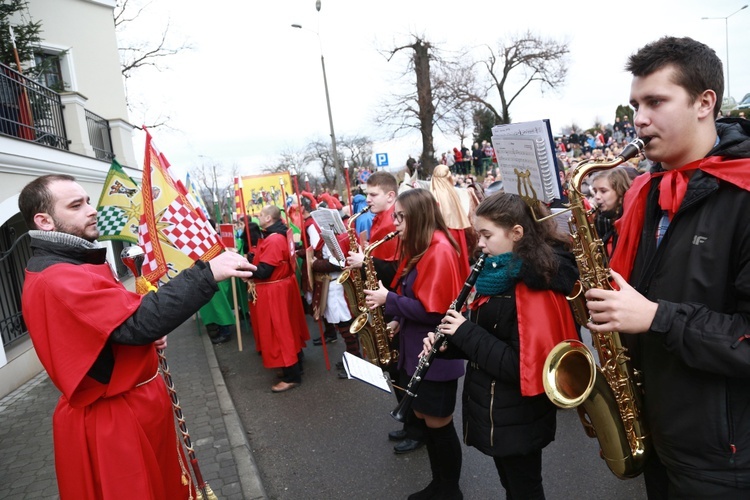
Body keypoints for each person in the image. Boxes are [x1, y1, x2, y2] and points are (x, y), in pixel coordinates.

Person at [18, 174, 256, 499]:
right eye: (76, 205)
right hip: (115, 420)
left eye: (88, 201)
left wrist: (141, 339)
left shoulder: (72, 263)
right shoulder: (58, 276)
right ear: (44, 220)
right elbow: (134, 326)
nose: (91, 210)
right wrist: (206, 273)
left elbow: (113, 328)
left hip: (131, 406)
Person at [586, 36, 750, 498]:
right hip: (660, 434)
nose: (638, 119)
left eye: (655, 101)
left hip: (724, 459)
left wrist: (656, 317)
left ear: (704, 102)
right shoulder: (648, 191)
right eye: (636, 103)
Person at [424, 192, 578, 499]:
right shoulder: (498, 274)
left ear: (516, 233)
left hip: (519, 415)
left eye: (486, 235)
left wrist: (464, 331)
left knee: (524, 489)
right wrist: (447, 345)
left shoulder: (533, 287)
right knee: (512, 486)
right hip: (498, 409)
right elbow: (486, 335)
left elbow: (519, 365)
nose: (479, 244)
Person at [365, 188, 465, 500]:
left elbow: (433, 310)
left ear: (418, 216)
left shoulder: (438, 250)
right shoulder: (423, 246)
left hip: (436, 356)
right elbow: (417, 296)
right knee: (427, 420)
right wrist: (397, 319)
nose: (395, 223)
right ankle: (439, 485)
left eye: (400, 217)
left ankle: (449, 490)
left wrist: (388, 299)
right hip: (417, 348)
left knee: (439, 425)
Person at [249, 205, 310, 393]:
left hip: (275, 291)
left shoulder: (275, 239)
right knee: (288, 328)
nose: (258, 218)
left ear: (268, 218)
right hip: (282, 287)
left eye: (260, 215)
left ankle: (292, 375)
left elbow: (265, 271)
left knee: (280, 332)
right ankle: (294, 365)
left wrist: (243, 268)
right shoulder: (279, 234)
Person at [589, 167, 632, 258]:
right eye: (595, 191)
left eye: (603, 191)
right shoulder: (598, 219)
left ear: (620, 192)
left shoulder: (629, 220)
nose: (597, 197)